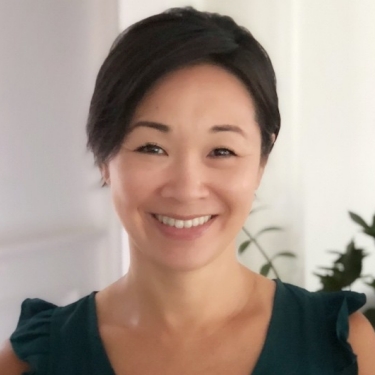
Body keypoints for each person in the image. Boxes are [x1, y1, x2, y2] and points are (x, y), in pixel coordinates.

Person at [1, 7, 375, 375]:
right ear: (104, 158)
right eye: (152, 148)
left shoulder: (345, 348)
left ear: (261, 161)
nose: (186, 188)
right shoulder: (34, 361)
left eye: (222, 151)